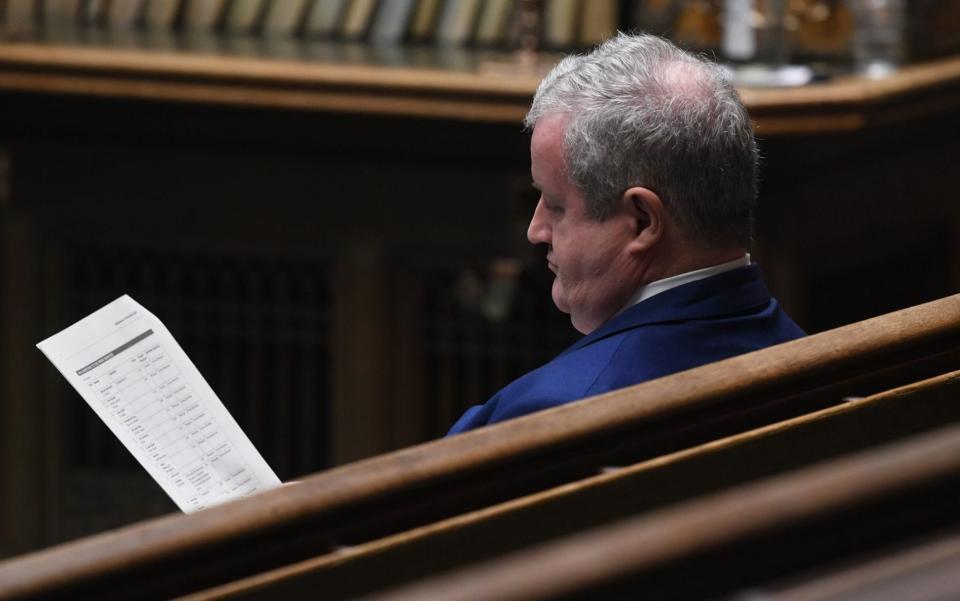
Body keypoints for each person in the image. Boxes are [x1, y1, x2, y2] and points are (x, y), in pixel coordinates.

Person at [447, 33, 805, 435]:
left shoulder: (551, 417)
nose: (536, 230)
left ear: (642, 222)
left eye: (556, 205)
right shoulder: (817, 371)